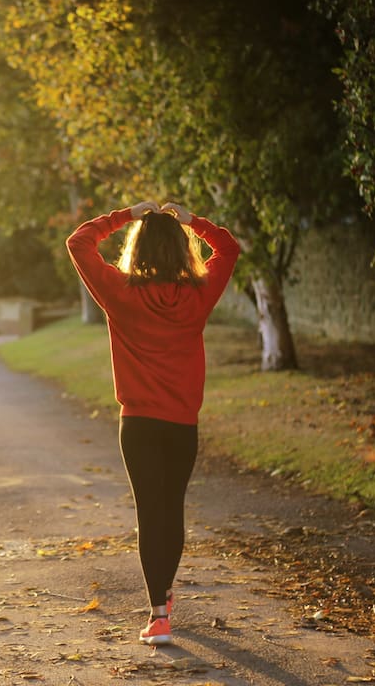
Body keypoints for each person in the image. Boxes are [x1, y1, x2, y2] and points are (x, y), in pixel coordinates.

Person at [66, 200, 241, 645]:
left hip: (139, 425)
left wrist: (126, 215)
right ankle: (163, 594)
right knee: (172, 509)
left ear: (138, 248)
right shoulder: (198, 294)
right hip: (182, 424)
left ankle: (158, 614)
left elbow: (79, 242)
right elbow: (229, 248)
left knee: (150, 513)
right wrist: (193, 221)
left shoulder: (120, 292)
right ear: (182, 249)